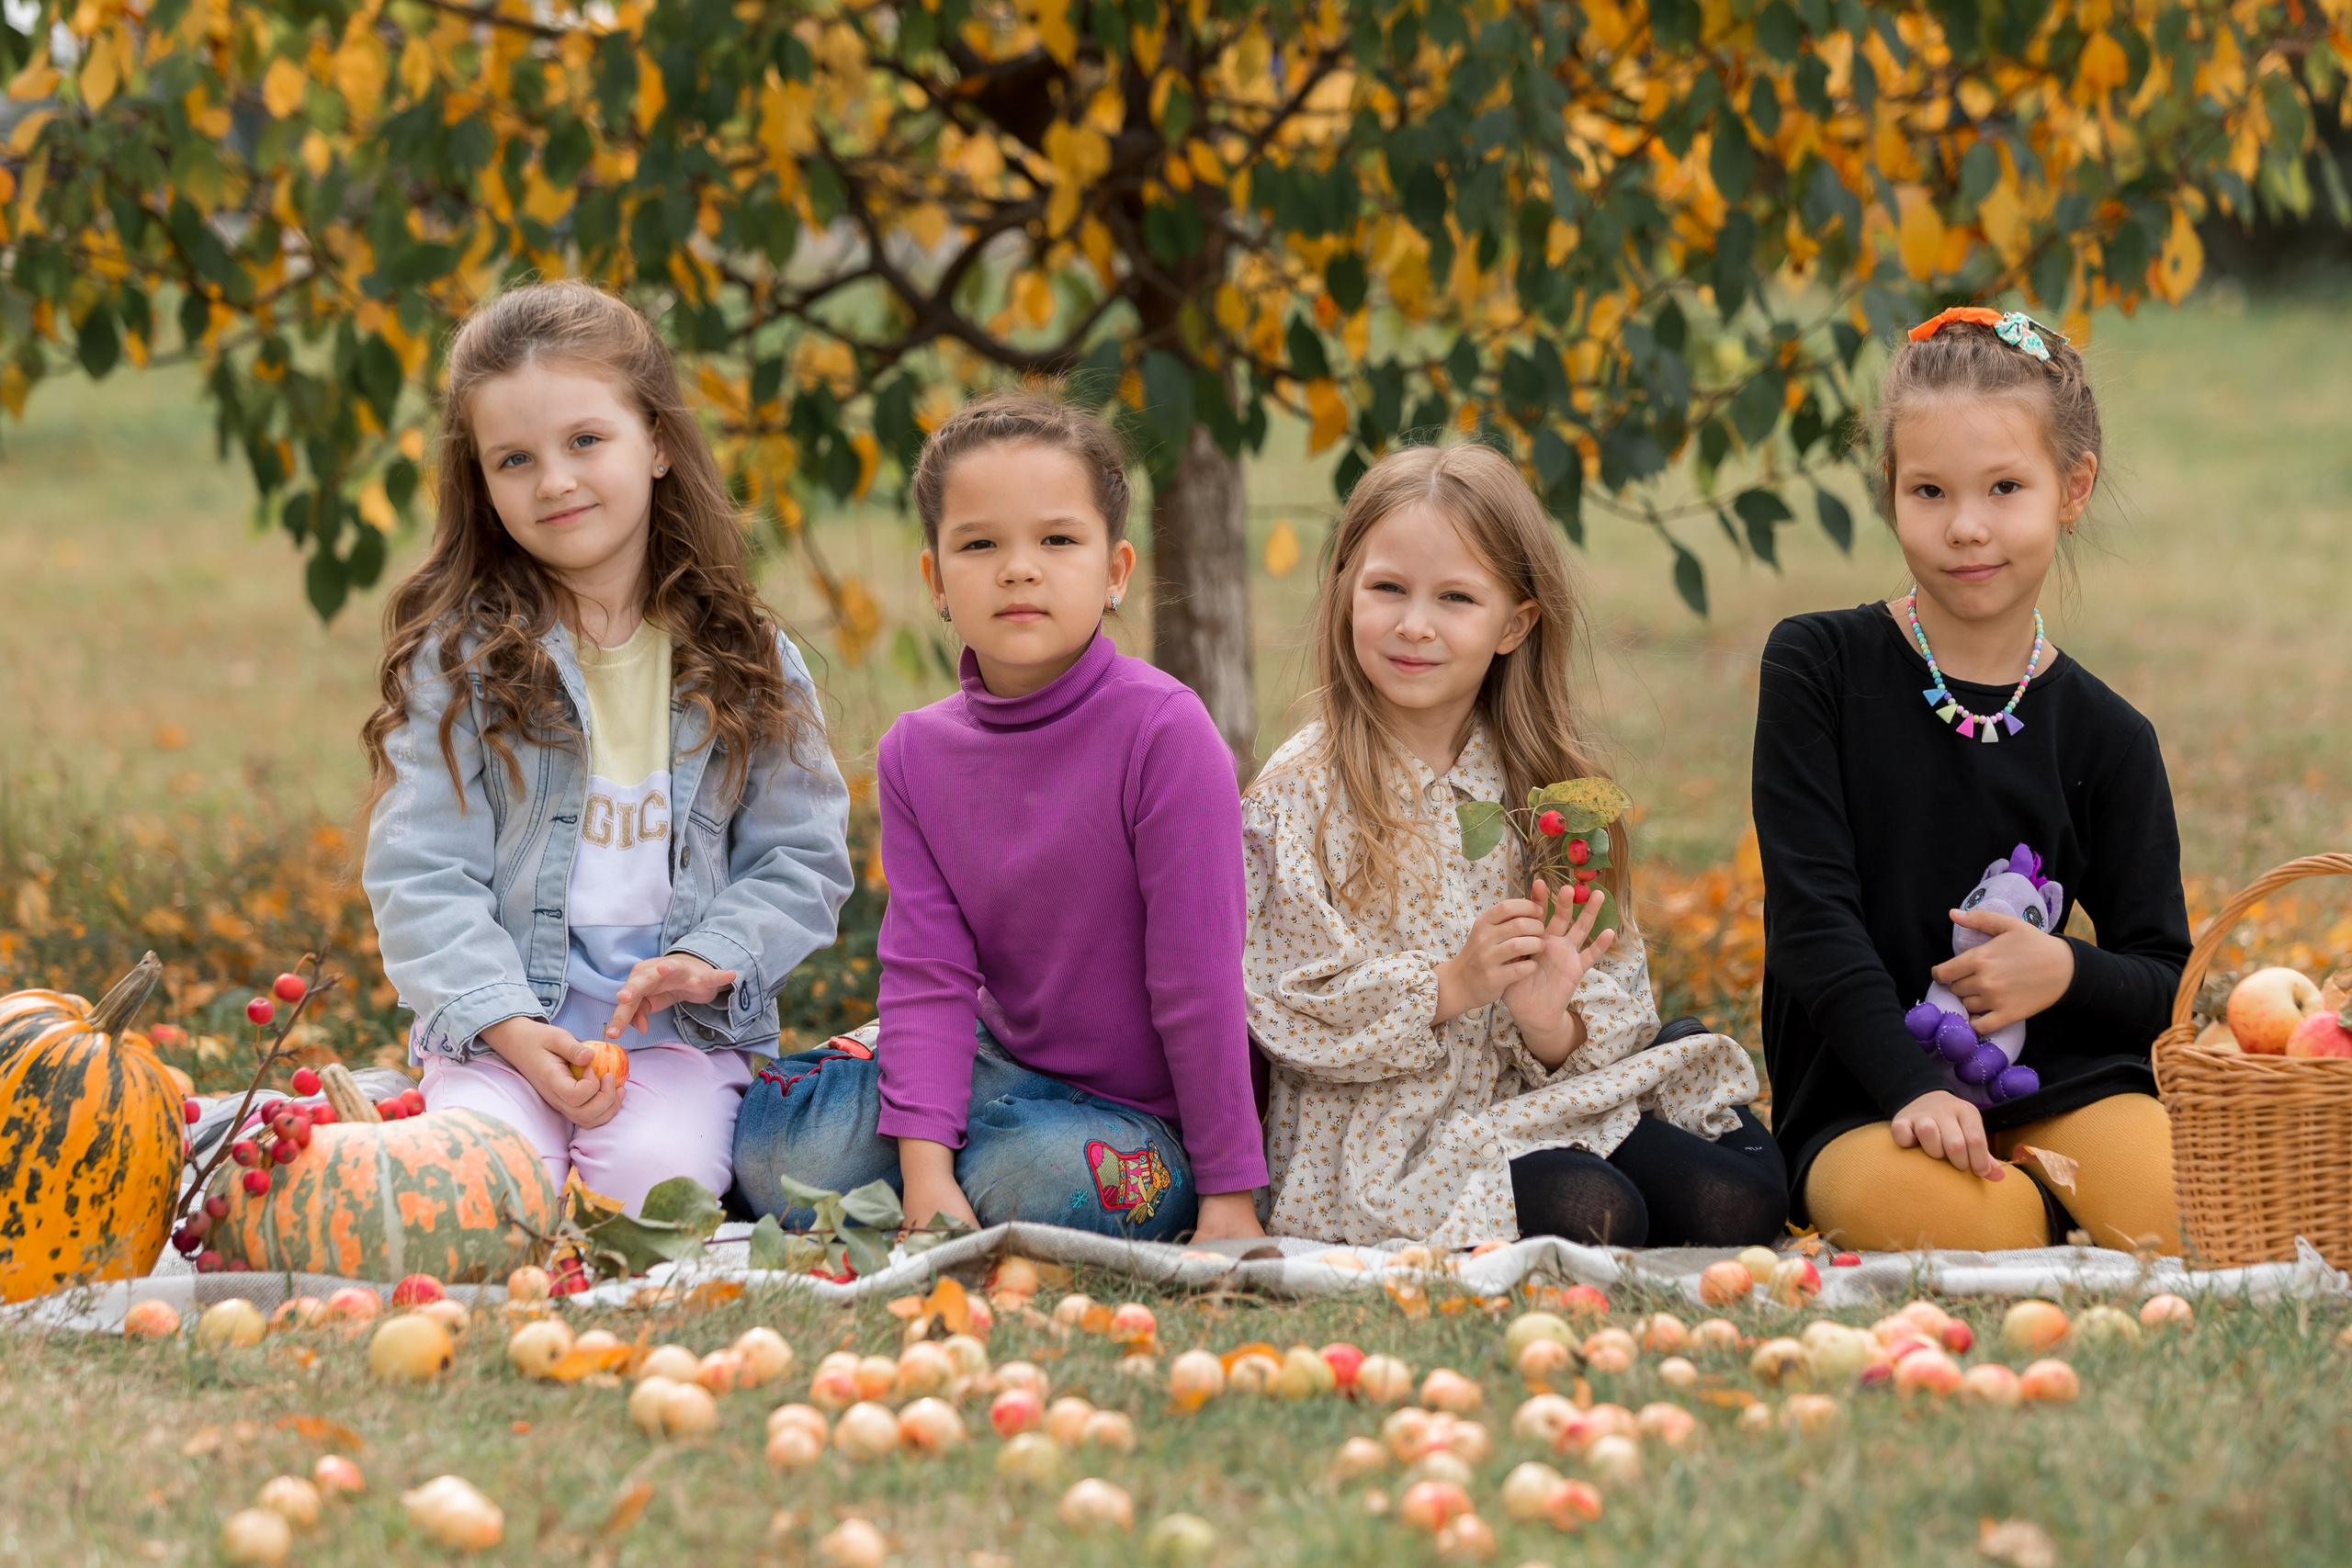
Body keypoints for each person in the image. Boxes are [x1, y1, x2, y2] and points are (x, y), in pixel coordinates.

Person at [361, 281, 853, 1213]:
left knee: (649, 1196)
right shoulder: (460, 661)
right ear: (483, 485)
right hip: (507, 1020)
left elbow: (802, 858)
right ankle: (442, 1107)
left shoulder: (747, 657)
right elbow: (419, 874)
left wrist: (711, 956)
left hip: (677, 1034)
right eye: (515, 459)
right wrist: (505, 1025)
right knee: (485, 1197)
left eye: (586, 441)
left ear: (657, 442)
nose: (554, 480)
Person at [731, 392, 1267, 1243]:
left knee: (1031, 1179)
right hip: (997, 1064)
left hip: (1142, 1117)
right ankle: (926, 1128)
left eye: (1058, 540)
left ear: (1117, 569)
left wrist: (1232, 1196)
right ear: (936, 580)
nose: (1019, 568)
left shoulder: (1165, 734)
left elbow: (1199, 982)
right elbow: (931, 973)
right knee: (774, 1149)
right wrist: (926, 1174)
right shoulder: (917, 753)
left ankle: (958, 1142)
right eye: (980, 545)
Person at [1244, 442, 1779, 1248]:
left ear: (1514, 623)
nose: (1414, 624)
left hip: (1534, 1094)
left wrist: (1547, 1023)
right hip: (1384, 1133)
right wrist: (1450, 984)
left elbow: (1607, 982)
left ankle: (1673, 1066)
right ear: (1347, 588)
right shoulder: (1305, 789)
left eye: (1457, 597)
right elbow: (1285, 1001)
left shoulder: (1550, 792)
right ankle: (1616, 1146)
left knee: (1742, 1203)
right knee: (1598, 1212)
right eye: (1387, 588)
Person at [1753, 307, 2190, 1253]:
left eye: (2003, 487)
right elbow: (1810, 924)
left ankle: (2063, 1195)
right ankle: (2040, 1213)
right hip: (1867, 1094)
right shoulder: (1815, 667)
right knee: (1968, 1230)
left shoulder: (2110, 737)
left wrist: (2064, 969)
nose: (1965, 527)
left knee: (2175, 1210)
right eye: (1928, 492)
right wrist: (1912, 1084)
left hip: (2056, 1083)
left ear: (2071, 488)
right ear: (1891, 491)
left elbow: (2164, 978)